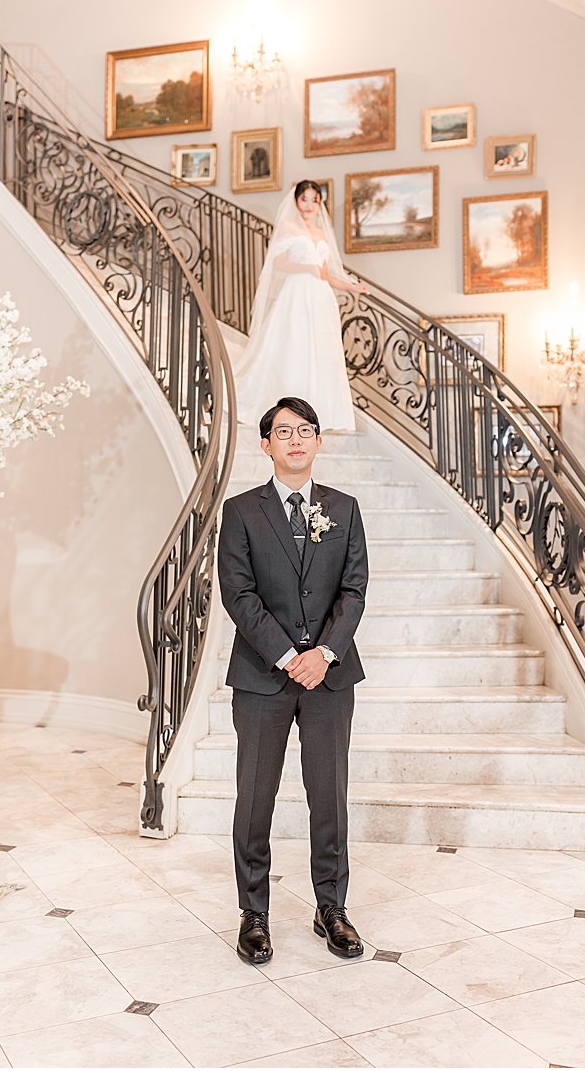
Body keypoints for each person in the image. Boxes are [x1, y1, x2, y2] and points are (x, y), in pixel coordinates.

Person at [217, 396, 371, 965]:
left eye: (306, 430)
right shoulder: (241, 512)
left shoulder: (345, 508)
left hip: (331, 678)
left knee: (328, 796)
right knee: (256, 797)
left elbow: (354, 590)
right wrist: (287, 655)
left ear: (318, 441)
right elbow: (239, 594)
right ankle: (253, 914)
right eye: (284, 432)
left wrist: (325, 652)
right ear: (266, 445)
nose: (297, 440)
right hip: (263, 677)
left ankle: (331, 908)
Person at [233, 179, 367, 434]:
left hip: (320, 297)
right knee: (295, 346)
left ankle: (318, 413)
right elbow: (279, 264)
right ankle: (288, 410)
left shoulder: (321, 233)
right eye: (304, 199)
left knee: (321, 351)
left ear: (319, 204)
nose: (309, 205)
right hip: (296, 293)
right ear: (296, 201)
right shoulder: (287, 227)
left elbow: (326, 273)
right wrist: (308, 268)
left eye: (314, 200)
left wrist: (352, 287)